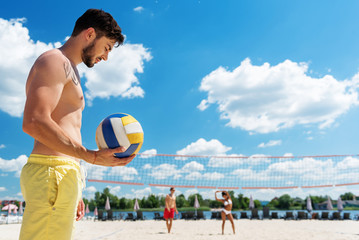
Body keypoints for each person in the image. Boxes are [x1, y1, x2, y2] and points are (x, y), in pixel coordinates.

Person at [20, 9, 136, 240]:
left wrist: (76, 187)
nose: (106, 57)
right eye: (107, 48)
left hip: (61, 173)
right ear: (90, 34)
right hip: (51, 171)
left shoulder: (70, 69)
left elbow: (63, 125)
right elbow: (34, 121)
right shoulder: (55, 60)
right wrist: (91, 156)